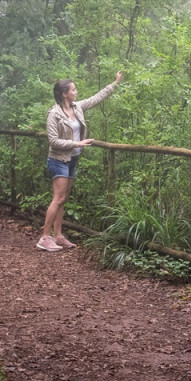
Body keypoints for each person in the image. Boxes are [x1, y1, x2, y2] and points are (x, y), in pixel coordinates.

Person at [39, 70, 124, 251]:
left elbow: (96, 98)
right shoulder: (53, 114)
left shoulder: (77, 107)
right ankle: (44, 237)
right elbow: (53, 140)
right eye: (73, 90)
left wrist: (114, 83)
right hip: (58, 159)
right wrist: (77, 143)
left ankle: (58, 235)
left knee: (63, 199)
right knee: (58, 197)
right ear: (64, 93)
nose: (76, 92)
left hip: (72, 159)